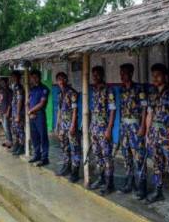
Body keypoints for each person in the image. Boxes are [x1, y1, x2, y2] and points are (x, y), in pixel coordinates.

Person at [145, 63, 169, 206]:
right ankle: (158, 191)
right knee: (157, 164)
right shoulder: (152, 93)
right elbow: (149, 114)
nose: (155, 78)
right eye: (154, 76)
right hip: (154, 134)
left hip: (166, 134)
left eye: (158, 75)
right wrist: (147, 134)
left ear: (165, 76)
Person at [118, 63, 148, 197]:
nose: (122, 76)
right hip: (125, 127)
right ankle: (130, 182)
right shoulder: (122, 89)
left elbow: (144, 109)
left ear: (131, 73)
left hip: (136, 127)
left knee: (139, 157)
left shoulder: (139, 89)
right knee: (126, 156)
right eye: (121, 73)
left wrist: (143, 126)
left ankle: (141, 186)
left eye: (124, 73)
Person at [87, 66, 116, 195]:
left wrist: (109, 129)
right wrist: (90, 126)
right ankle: (101, 179)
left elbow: (112, 110)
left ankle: (110, 184)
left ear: (102, 75)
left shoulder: (108, 90)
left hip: (104, 128)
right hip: (94, 127)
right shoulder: (94, 90)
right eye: (94, 75)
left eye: (98, 75)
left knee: (107, 156)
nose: (95, 77)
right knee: (98, 155)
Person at [55, 72, 81, 182]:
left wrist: (73, 125)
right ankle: (67, 166)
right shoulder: (60, 94)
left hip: (71, 124)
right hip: (63, 125)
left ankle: (75, 171)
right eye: (58, 80)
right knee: (64, 147)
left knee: (75, 147)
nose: (60, 82)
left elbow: (75, 110)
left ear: (66, 80)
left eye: (62, 79)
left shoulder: (72, 93)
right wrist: (57, 125)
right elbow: (60, 110)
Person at [28, 70, 50, 167]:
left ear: (39, 77)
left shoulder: (44, 89)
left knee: (43, 137)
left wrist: (31, 111)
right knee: (34, 137)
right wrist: (30, 112)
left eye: (36, 77)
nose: (34, 79)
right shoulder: (32, 89)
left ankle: (44, 158)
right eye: (32, 77)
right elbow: (28, 102)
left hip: (40, 115)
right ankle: (37, 155)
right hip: (32, 116)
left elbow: (42, 104)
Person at [10, 71, 25, 156]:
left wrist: (18, 114)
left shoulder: (19, 87)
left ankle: (22, 146)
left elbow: (19, 101)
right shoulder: (14, 87)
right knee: (15, 130)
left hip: (18, 113)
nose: (13, 78)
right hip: (14, 112)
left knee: (20, 130)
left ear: (18, 78)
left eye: (14, 77)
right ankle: (17, 144)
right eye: (12, 77)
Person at [0, 77, 13, 149]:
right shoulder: (2, 91)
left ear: (7, 82)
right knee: (4, 127)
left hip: (6, 112)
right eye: (1, 82)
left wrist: (8, 112)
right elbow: (1, 101)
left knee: (7, 127)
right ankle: (7, 140)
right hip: (2, 111)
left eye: (3, 82)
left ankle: (10, 141)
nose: (2, 84)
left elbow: (11, 103)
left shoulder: (9, 91)